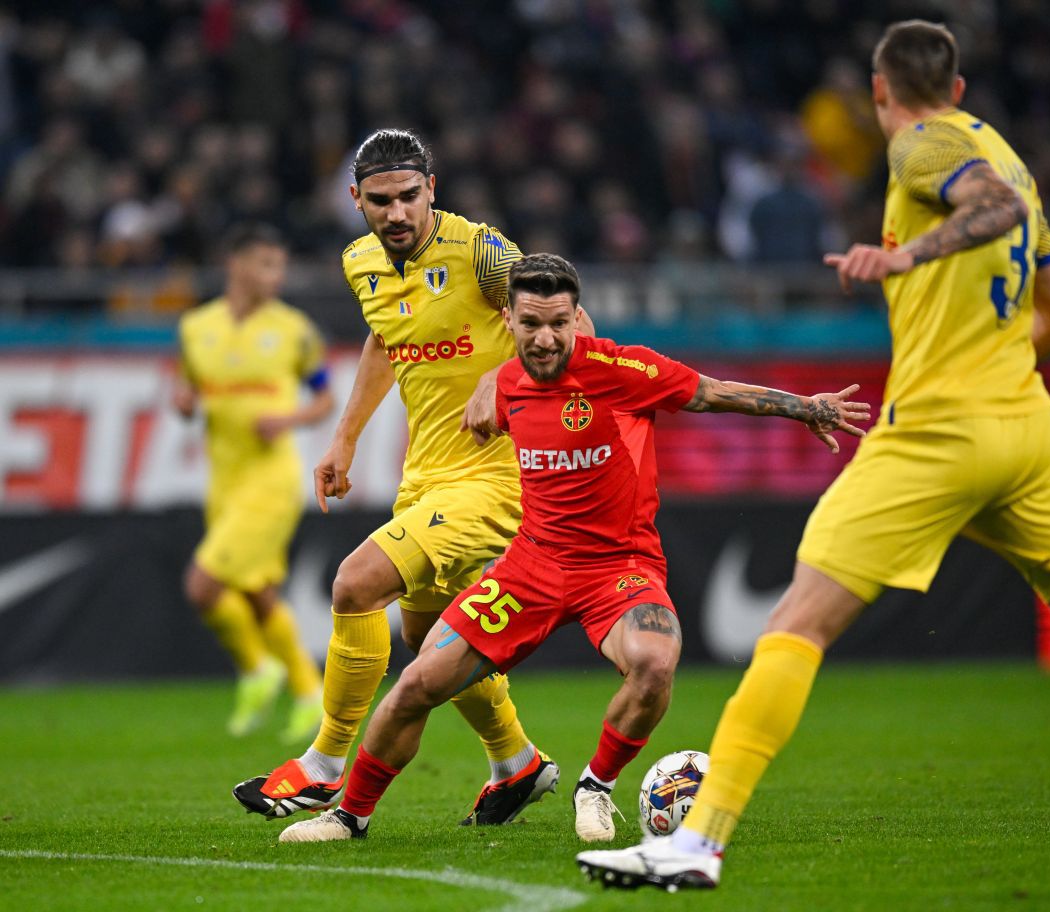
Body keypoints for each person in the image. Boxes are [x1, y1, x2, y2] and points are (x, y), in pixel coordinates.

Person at [576, 19, 1050, 890]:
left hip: (938, 431)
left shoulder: (921, 143)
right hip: (1025, 431)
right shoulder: (1010, 153)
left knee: (794, 625)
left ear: (879, 91)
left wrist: (906, 255)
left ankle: (696, 843)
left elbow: (992, 207)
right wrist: (992, 367)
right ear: (960, 86)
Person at [271, 253, 870, 844]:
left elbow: (713, 393)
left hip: (618, 567)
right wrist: (482, 390)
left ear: (577, 317)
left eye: (559, 322)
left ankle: (595, 787)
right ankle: (349, 817)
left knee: (655, 662)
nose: (546, 338)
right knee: (417, 684)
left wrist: (806, 407)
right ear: (508, 320)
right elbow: (471, 396)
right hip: (531, 566)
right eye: (531, 324)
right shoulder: (506, 385)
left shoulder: (623, 368)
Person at [233, 130, 594, 825]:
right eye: (380, 201)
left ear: (432, 188)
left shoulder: (483, 254)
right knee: (433, 641)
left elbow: (574, 325)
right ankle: (516, 762)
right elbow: (384, 340)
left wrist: (500, 377)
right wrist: (344, 436)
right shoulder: (360, 261)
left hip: (499, 475)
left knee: (355, 583)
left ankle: (322, 767)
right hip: (425, 472)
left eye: (408, 196)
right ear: (355, 200)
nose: (396, 213)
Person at [175, 222, 332, 741]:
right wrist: (184, 402)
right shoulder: (196, 327)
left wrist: (288, 419)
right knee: (258, 590)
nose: (276, 275)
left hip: (271, 478)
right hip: (224, 478)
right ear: (236, 265)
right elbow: (186, 386)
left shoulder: (295, 330)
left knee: (202, 586)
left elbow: (325, 398)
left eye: (280, 266)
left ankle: (257, 668)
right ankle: (308, 691)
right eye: (266, 264)